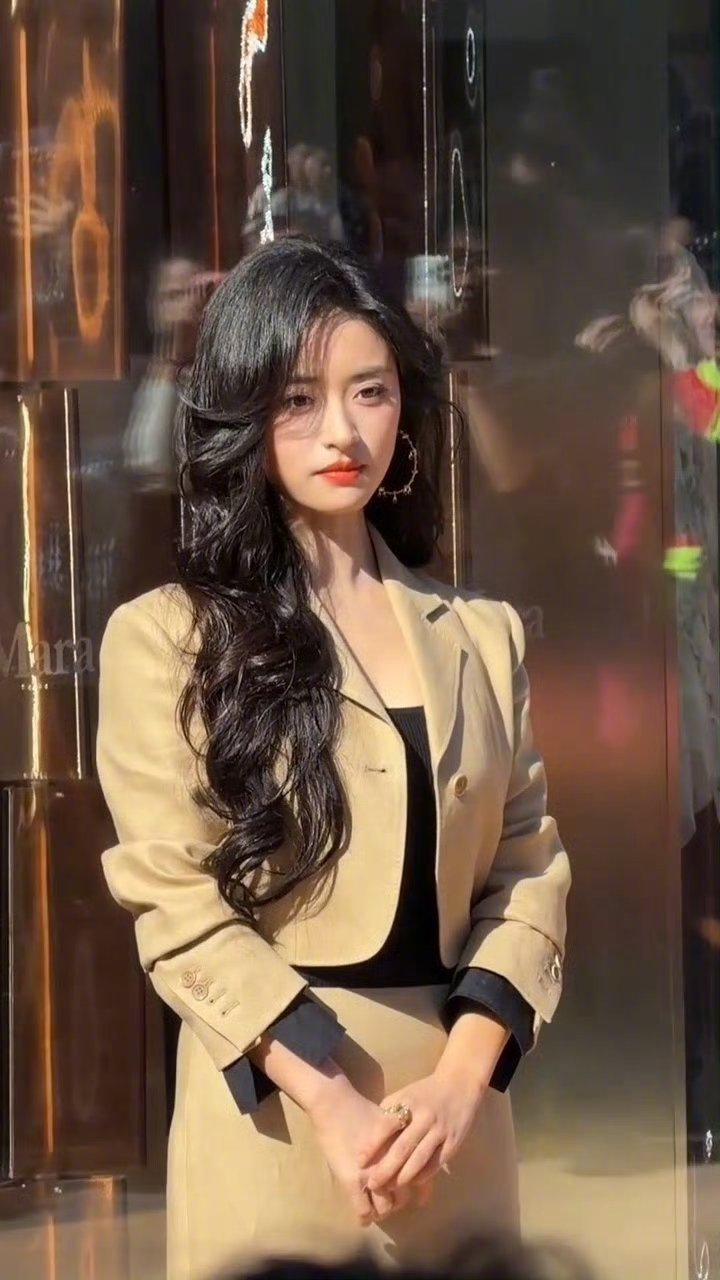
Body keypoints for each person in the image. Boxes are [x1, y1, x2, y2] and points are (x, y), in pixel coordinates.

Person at [96, 237, 570, 1280]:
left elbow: (528, 868)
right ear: (242, 412)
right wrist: (335, 1102)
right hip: (279, 1121)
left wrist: (460, 1086)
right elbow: (173, 896)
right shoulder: (166, 638)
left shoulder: (481, 633)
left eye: (371, 391)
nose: (343, 432)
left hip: (455, 1131)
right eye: (299, 398)